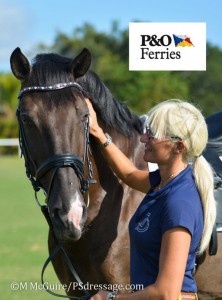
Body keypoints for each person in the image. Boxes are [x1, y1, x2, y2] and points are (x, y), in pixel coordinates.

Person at [85, 98, 216, 300]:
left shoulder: (179, 203)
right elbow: (128, 174)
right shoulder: (163, 183)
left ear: (179, 147)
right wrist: (97, 132)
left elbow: (167, 293)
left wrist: (111, 298)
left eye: (152, 135)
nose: (143, 139)